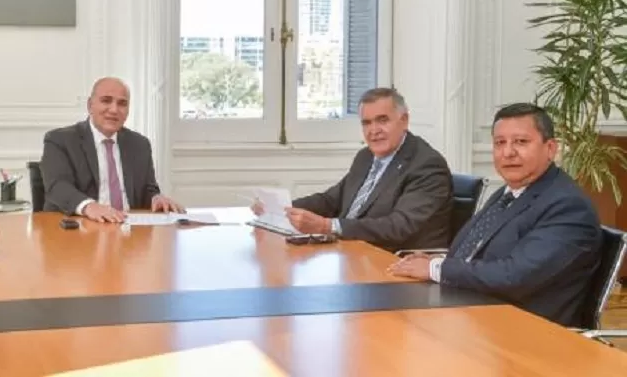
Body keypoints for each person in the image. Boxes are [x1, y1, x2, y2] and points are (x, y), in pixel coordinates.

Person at [389, 103, 602, 327]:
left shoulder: (567, 206)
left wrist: (437, 269)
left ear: (550, 148)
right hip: (473, 313)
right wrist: (437, 261)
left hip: (524, 333)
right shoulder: (510, 191)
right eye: (500, 143)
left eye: (521, 142)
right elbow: (477, 251)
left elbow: (515, 276)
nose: (508, 152)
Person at [254, 87, 453, 252]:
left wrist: (327, 226)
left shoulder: (427, 165)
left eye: (382, 120)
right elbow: (331, 200)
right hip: (353, 251)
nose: (373, 131)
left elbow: (398, 227)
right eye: (366, 123)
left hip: (395, 262)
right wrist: (281, 208)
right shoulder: (366, 156)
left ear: (404, 120)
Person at [40, 77, 183, 222]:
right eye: (106, 101)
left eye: (122, 103)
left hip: (128, 229)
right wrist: (89, 206)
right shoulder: (60, 140)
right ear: (90, 105)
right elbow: (57, 186)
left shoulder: (140, 144)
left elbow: (148, 189)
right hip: (81, 228)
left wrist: (156, 198)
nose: (114, 110)